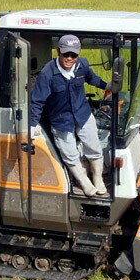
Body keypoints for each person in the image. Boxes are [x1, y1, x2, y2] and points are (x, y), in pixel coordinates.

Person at [29, 34, 110, 197]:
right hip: (61, 120)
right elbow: (37, 101)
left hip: (83, 115)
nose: (69, 58)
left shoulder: (83, 65)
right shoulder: (47, 73)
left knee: (94, 147)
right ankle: (85, 183)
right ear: (58, 51)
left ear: (78, 55)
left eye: (73, 55)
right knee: (70, 154)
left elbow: (92, 79)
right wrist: (31, 126)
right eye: (66, 54)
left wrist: (107, 86)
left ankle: (97, 178)